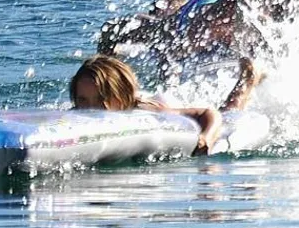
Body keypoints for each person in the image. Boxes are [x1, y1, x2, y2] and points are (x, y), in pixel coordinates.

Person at [70, 54, 264, 156]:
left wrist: (206, 138)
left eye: (100, 100)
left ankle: (248, 80)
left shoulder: (145, 110)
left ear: (120, 97)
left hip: (170, 110)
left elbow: (208, 113)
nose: (90, 109)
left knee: (230, 112)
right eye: (83, 100)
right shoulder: (80, 114)